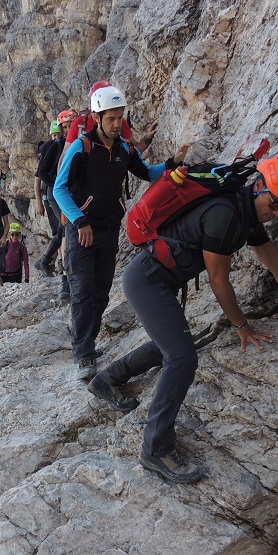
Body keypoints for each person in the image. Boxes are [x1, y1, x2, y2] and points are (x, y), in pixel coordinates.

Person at [88, 151, 278, 485]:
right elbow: (219, 281)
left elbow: (275, 262)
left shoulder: (246, 213)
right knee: (182, 357)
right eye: (274, 204)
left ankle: (107, 380)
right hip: (147, 279)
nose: (277, 214)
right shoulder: (226, 214)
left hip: (159, 278)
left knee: (174, 345)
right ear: (258, 185)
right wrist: (242, 326)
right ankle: (155, 448)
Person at [54, 86, 182, 381]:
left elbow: (148, 172)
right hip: (82, 231)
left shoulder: (124, 149)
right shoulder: (81, 148)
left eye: (119, 118)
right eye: (111, 118)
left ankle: (88, 341)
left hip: (109, 229)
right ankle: (83, 351)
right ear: (97, 117)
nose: (116, 124)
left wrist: (174, 162)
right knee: (83, 290)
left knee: (100, 292)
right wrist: (79, 221)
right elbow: (59, 189)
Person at [34, 109, 77, 299]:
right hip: (56, 192)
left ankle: (46, 261)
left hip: (67, 190)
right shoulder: (55, 144)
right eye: (64, 127)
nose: (67, 130)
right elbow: (42, 172)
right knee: (67, 228)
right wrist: (57, 186)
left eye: (70, 126)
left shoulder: (75, 143)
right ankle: (65, 278)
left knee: (64, 228)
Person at [63, 80, 157, 157]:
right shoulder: (81, 123)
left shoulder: (119, 121)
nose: (116, 123)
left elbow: (135, 149)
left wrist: (147, 139)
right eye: (110, 119)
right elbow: (65, 156)